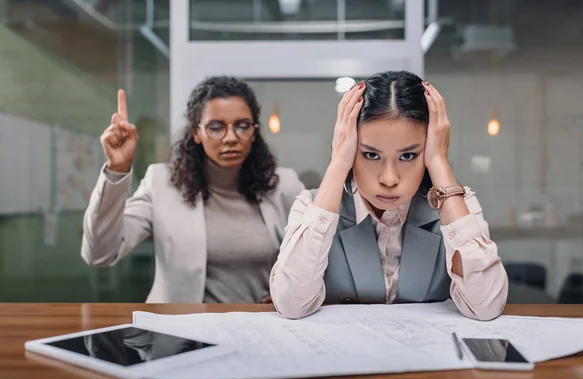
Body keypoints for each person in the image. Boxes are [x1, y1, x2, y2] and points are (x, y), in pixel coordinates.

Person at [270, 70, 508, 320]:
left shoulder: (459, 205)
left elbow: (486, 307)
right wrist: (338, 163)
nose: (389, 179)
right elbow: (291, 305)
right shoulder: (311, 205)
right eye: (371, 155)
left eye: (408, 156)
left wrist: (439, 162)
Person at [81, 76, 304, 303]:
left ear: (254, 132)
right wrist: (117, 169)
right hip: (179, 330)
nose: (230, 138)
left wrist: (292, 293)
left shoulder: (284, 185)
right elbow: (100, 253)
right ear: (196, 133)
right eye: (215, 128)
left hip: (259, 328)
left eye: (242, 126)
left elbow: (316, 260)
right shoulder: (161, 184)